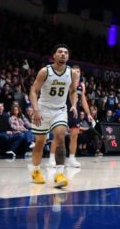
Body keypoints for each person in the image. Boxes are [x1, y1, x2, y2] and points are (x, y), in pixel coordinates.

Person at [28, 44, 79, 188]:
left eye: (66, 52)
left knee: (60, 137)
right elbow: (33, 91)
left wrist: (74, 104)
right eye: (60, 52)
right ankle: (36, 171)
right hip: (42, 110)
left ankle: (59, 174)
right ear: (54, 56)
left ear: (68, 57)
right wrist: (36, 110)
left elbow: (73, 91)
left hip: (59, 111)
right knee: (40, 142)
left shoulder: (72, 73)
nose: (63, 54)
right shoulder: (45, 71)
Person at [49, 65, 93, 168]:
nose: (76, 73)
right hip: (63, 110)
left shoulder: (82, 85)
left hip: (75, 112)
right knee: (59, 135)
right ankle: (51, 159)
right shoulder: (65, 82)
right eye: (74, 71)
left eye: (78, 71)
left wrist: (89, 114)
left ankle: (72, 159)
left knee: (74, 136)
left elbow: (83, 101)